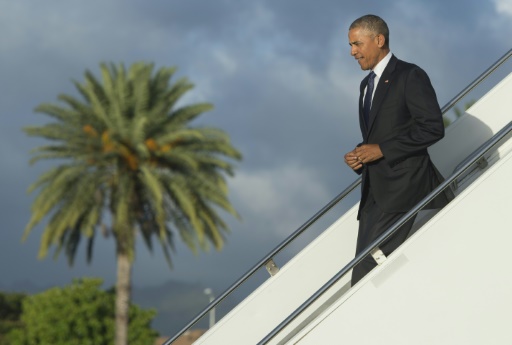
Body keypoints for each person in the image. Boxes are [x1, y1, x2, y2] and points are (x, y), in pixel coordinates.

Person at [343, 14, 454, 285]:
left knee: (367, 273)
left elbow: (432, 128)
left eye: (357, 44)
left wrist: (381, 150)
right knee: (363, 271)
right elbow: (383, 133)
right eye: (351, 45)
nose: (352, 52)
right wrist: (360, 154)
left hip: (403, 189)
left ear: (378, 40)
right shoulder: (365, 85)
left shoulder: (410, 75)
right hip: (374, 194)